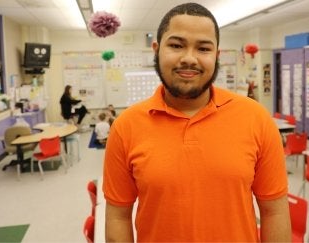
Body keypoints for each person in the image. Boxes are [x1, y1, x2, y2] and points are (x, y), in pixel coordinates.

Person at [103, 2, 291, 242]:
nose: (189, 58)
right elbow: (118, 216)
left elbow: (274, 211)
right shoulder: (126, 127)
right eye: (176, 45)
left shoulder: (256, 118)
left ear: (216, 55)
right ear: (156, 49)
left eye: (203, 48)